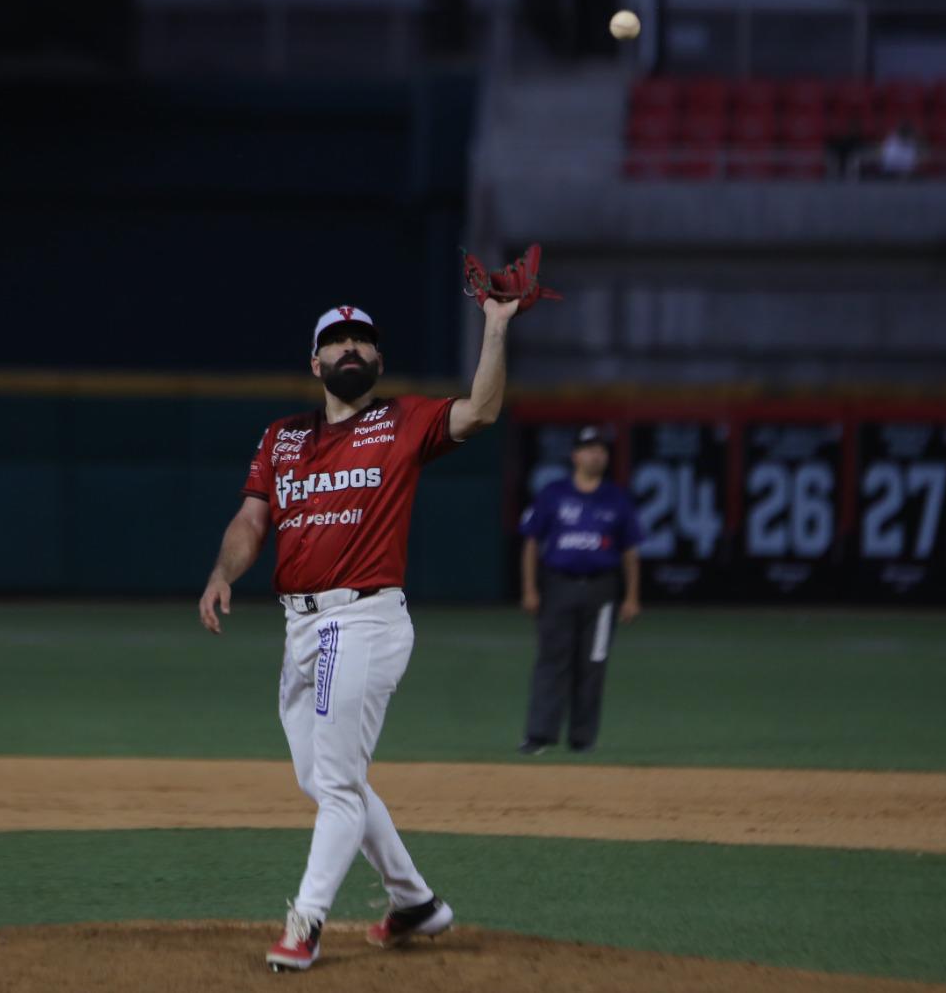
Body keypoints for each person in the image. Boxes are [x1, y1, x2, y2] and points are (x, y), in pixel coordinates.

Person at [198, 296, 522, 973]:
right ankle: (416, 904)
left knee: (340, 784)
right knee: (323, 779)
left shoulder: (404, 421)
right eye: (336, 341)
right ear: (313, 361)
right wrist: (223, 571)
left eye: (362, 341)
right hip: (300, 625)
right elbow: (252, 520)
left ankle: (305, 924)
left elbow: (482, 410)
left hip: (364, 617)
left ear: (379, 359)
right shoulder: (281, 437)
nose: (350, 349)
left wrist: (494, 327)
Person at [516, 425, 643, 756]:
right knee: (551, 661)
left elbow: (630, 552)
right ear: (575, 456)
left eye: (600, 449)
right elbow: (532, 542)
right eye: (588, 448)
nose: (595, 454)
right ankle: (539, 734)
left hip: (602, 589)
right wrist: (530, 588)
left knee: (593, 663)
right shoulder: (554, 494)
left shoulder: (616, 499)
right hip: (558, 584)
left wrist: (631, 596)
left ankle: (583, 738)